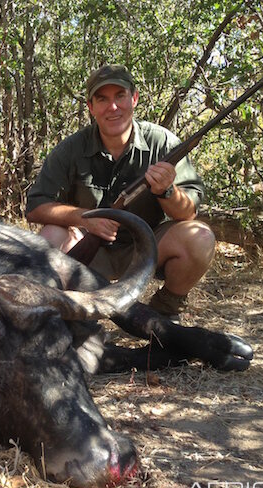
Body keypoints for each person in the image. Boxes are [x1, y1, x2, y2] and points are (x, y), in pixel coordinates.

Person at [26, 64, 215, 319]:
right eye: (102, 99)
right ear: (90, 107)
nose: (112, 107)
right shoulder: (70, 149)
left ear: (134, 98)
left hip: (145, 249)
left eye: (120, 96)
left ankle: (165, 310)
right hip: (89, 251)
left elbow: (188, 213)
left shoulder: (163, 143)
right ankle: (63, 311)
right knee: (49, 236)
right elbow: (36, 208)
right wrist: (86, 219)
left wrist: (167, 191)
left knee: (199, 237)